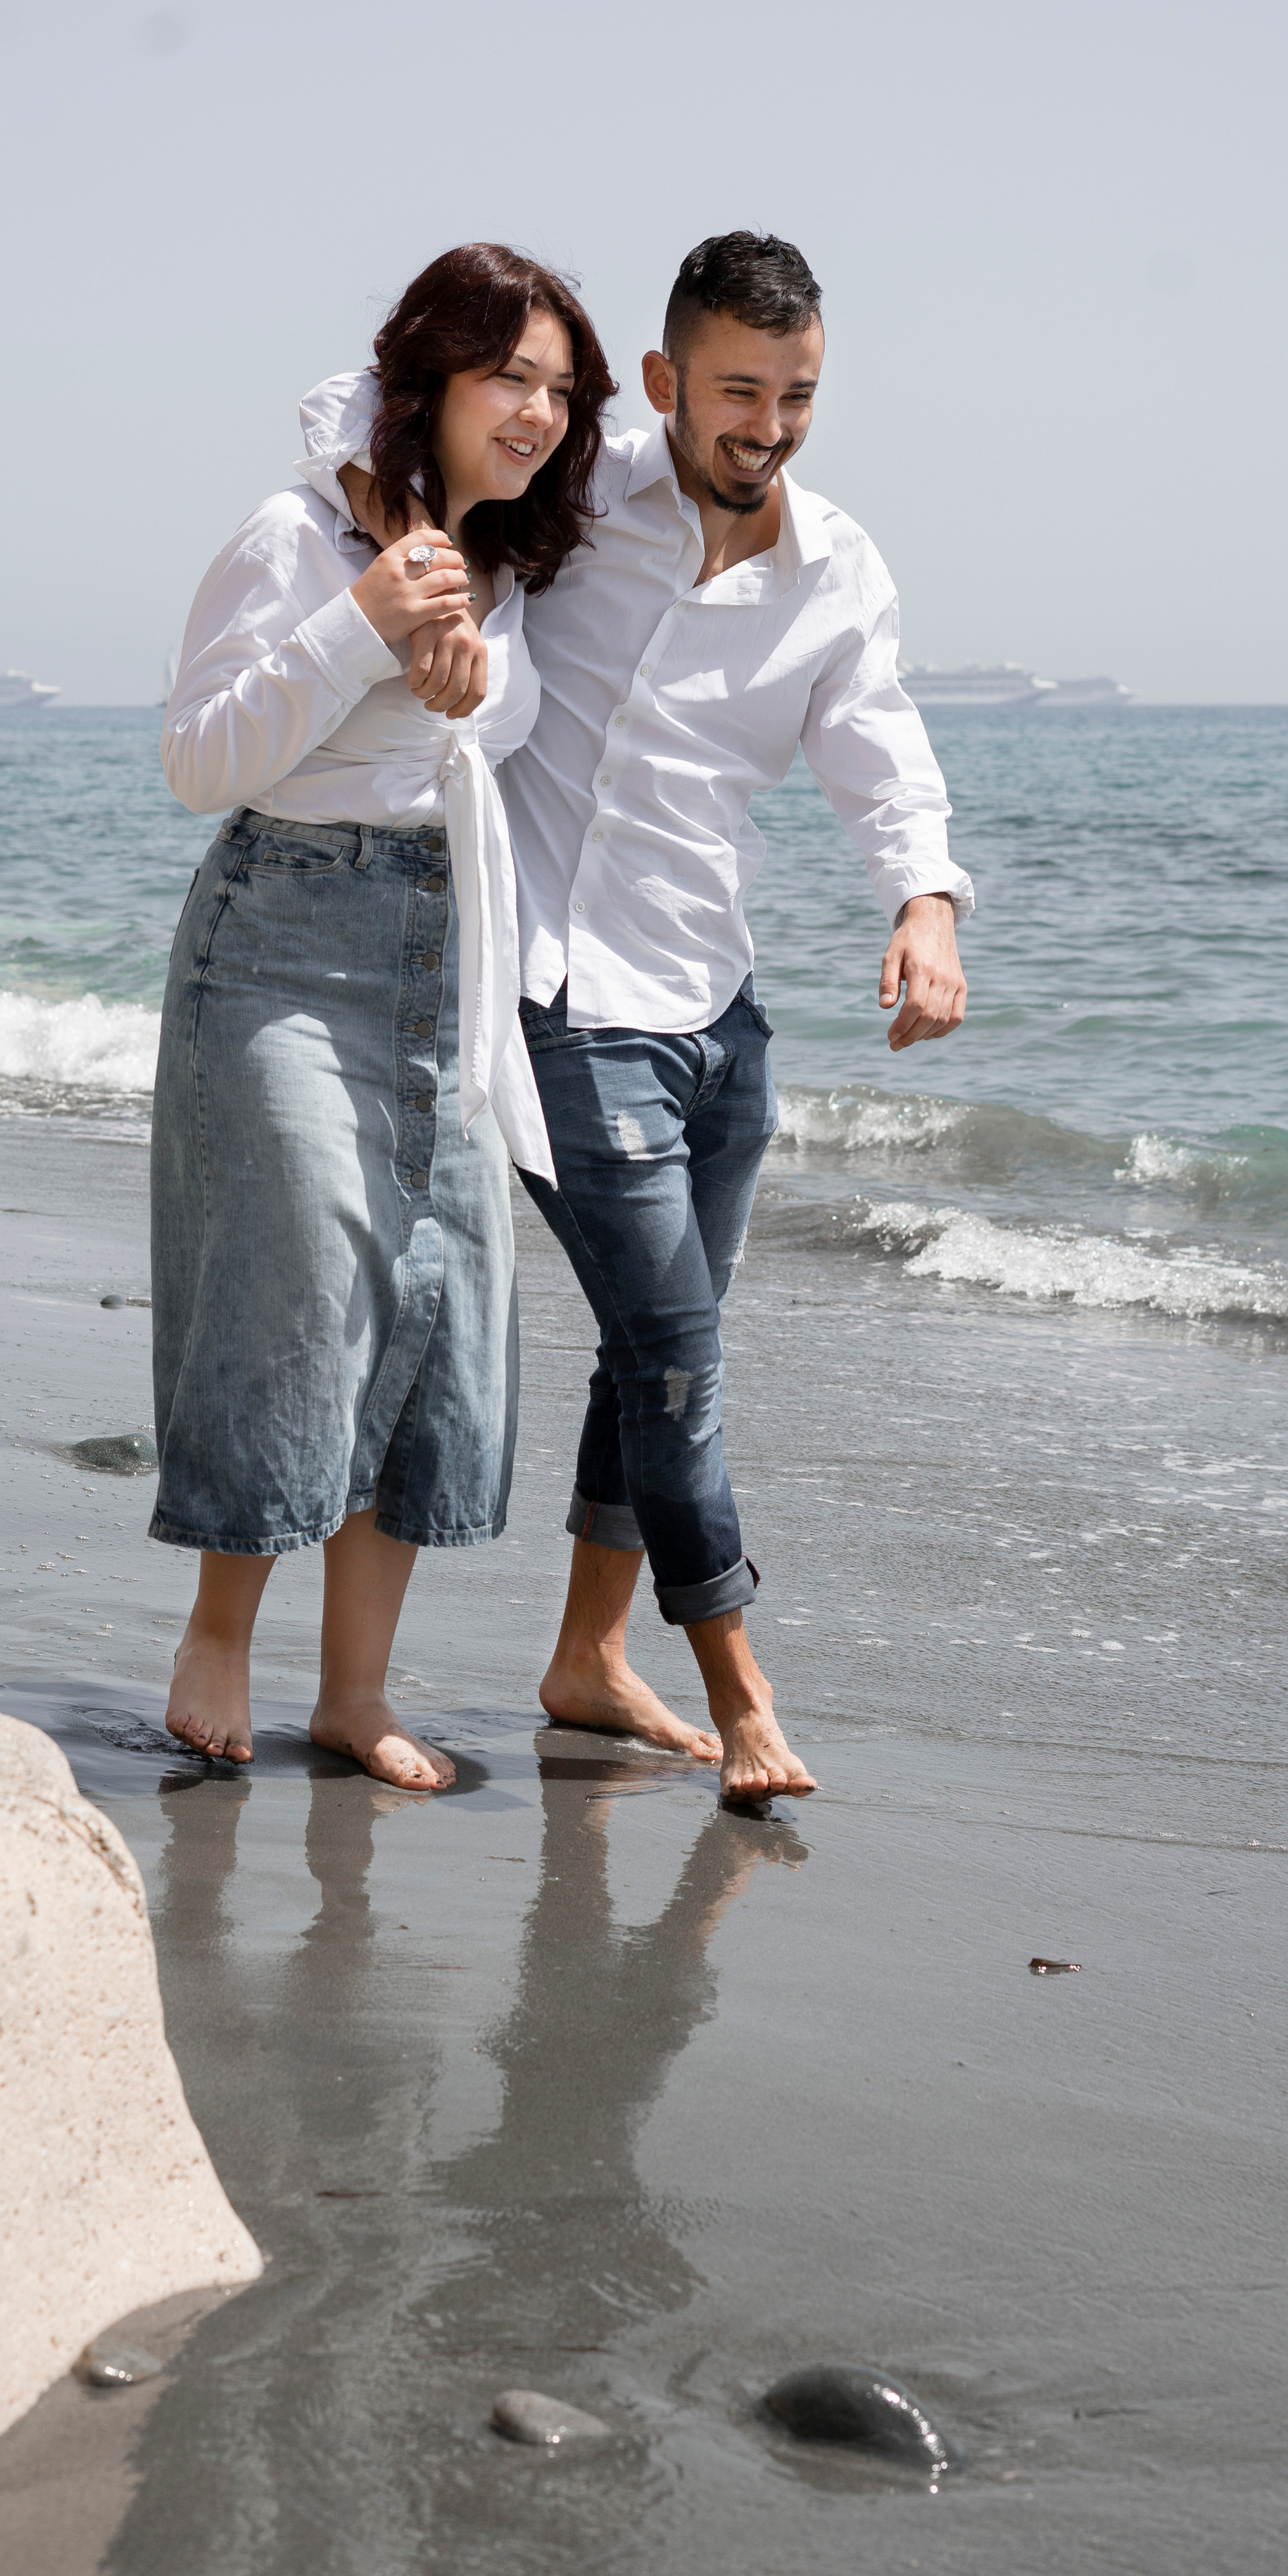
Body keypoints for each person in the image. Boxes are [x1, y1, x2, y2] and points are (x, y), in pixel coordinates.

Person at [316, 231, 974, 1802]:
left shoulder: (838, 571)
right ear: (670, 382)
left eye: (797, 394)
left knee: (651, 1352)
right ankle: (742, 1696)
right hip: (559, 995)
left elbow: (876, 741)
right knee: (676, 1358)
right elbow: (357, 401)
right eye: (738, 390)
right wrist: (385, 517)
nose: (768, 424)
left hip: (712, 1010)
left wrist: (924, 899)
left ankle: (587, 1660)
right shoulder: (579, 485)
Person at [153, 244, 615, 1792]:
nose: (542, 413)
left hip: (445, 957)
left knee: (427, 1308)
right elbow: (200, 760)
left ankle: (355, 1696)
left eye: (563, 390)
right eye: (513, 381)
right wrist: (358, 621)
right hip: (280, 940)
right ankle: (218, 1638)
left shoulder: (504, 562)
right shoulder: (295, 538)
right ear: (429, 381)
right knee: (294, 1292)